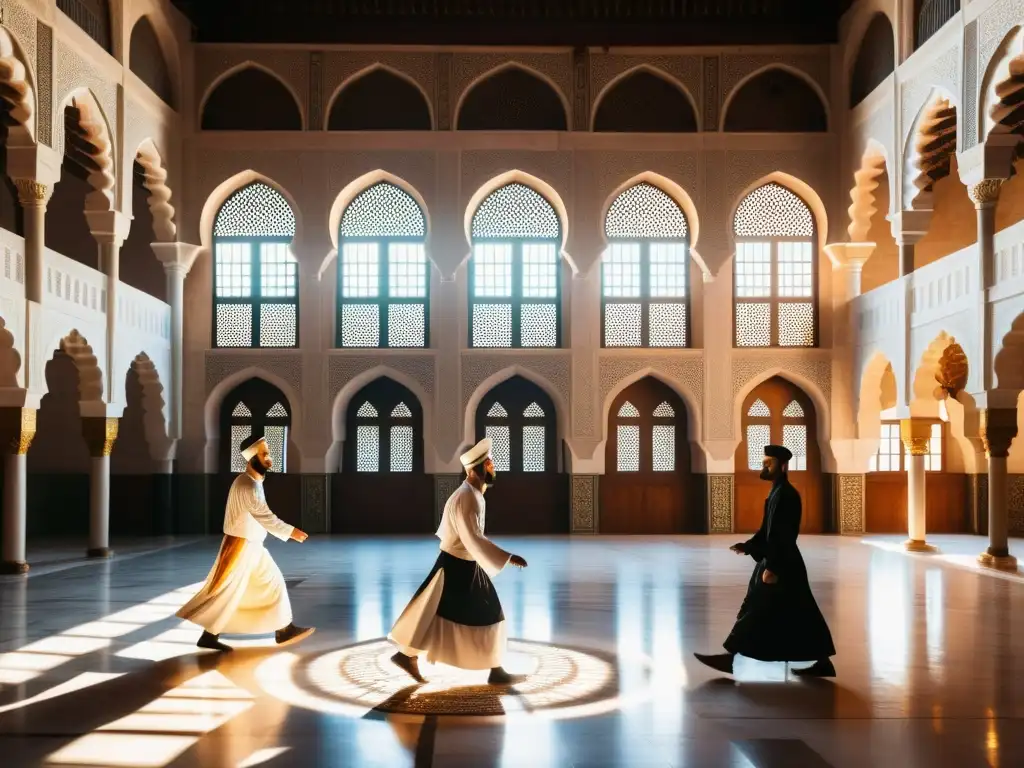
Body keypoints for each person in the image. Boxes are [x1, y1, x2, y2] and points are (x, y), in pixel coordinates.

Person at [388, 437, 528, 685]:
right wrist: (507, 557)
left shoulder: (472, 494)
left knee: (434, 613)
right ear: (478, 469)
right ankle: (495, 671)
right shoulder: (467, 497)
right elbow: (473, 538)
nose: (493, 468)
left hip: (461, 564)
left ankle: (406, 655)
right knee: (487, 613)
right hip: (456, 567)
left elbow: (472, 539)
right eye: (490, 464)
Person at [694, 444, 836, 678]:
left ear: (782, 465)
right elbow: (766, 531)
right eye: (764, 463)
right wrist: (748, 547)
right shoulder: (776, 493)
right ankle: (823, 662)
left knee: (756, 608)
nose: (764, 467)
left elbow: (785, 535)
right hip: (777, 559)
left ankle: (730, 656)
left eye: (768, 464)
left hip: (782, 562)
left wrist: (773, 567)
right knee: (800, 611)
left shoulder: (787, 495)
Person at [177, 433, 315, 652]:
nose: (269, 458)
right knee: (229, 591)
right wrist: (292, 532)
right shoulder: (247, 486)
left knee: (264, 585)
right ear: (252, 459)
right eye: (264, 454)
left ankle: (280, 629)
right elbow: (265, 516)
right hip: (242, 547)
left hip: (250, 546)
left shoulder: (251, 481)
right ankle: (279, 630)